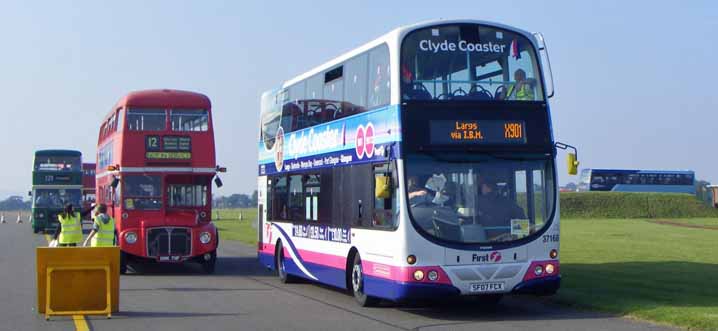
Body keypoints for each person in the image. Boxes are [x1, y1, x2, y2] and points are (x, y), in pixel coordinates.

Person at [476, 175, 526, 241]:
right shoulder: (509, 203)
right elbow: (524, 226)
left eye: (481, 186)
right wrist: (508, 231)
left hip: (479, 245)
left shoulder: (476, 203)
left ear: (485, 187)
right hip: (508, 245)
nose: (480, 189)